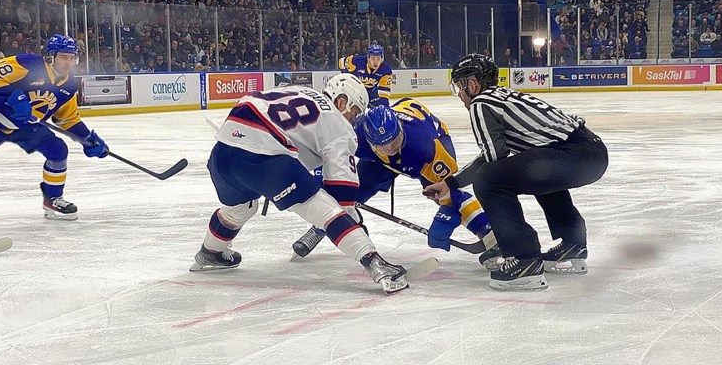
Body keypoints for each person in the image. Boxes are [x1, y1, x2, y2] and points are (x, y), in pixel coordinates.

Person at [192, 73, 410, 294]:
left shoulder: (300, 92)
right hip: (263, 157)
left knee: (240, 208)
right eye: (354, 113)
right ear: (341, 102)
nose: (353, 121)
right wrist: (351, 222)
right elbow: (342, 194)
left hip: (222, 155)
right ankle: (377, 265)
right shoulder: (338, 123)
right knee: (327, 210)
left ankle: (210, 252)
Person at [422, 54, 609, 290]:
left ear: (473, 84)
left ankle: (524, 258)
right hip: (591, 153)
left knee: (488, 179)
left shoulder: (481, 103)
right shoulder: (502, 96)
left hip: (571, 154)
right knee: (539, 170)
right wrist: (451, 184)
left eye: (460, 85)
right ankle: (573, 245)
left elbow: (493, 159)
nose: (459, 94)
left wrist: (454, 183)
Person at [291, 99, 499, 266]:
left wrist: (447, 214)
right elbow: (328, 156)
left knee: (444, 196)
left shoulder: (426, 148)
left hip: (424, 146)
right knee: (348, 194)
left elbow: (450, 188)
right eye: (384, 146)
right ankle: (321, 226)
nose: (391, 149)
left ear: (399, 130)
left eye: (394, 141)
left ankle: (490, 233)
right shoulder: (356, 135)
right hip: (379, 161)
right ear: (370, 141)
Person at [0, 34, 109, 221]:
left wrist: (87, 138)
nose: (68, 62)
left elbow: (67, 119)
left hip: (24, 126)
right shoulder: (28, 64)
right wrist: (13, 96)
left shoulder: (70, 85)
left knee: (57, 150)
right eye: (64, 57)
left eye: (72, 57)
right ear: (50, 56)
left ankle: (52, 198)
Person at [337, 43, 394, 109]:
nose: (375, 62)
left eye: (378, 59)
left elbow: (384, 93)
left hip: (371, 93)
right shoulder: (357, 61)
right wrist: (347, 77)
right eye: (373, 59)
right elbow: (341, 62)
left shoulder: (386, 70)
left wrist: (384, 109)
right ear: (368, 58)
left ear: (382, 58)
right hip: (355, 91)